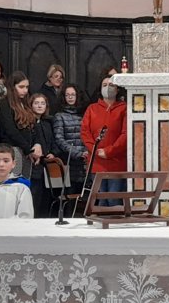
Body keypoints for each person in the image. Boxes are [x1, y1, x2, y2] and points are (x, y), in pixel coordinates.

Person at [80, 76, 128, 206]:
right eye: (104, 85)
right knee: (100, 198)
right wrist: (95, 150)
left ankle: (114, 220)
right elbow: (85, 132)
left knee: (113, 199)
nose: (107, 88)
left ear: (117, 89)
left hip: (116, 161)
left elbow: (126, 134)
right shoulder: (92, 108)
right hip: (96, 161)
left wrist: (109, 151)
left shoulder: (124, 108)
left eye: (111, 85)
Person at [0, 71, 39, 180]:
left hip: (27, 150)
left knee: (25, 182)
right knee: (14, 181)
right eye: (21, 87)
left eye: (27, 87)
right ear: (12, 87)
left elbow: (33, 127)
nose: (25, 90)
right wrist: (27, 149)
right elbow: (10, 130)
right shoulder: (5, 103)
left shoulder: (25, 103)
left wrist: (36, 145)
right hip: (13, 149)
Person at [53, 84, 89, 201]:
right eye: (67, 95)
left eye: (73, 94)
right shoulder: (59, 116)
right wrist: (77, 153)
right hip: (69, 160)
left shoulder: (84, 114)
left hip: (85, 160)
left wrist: (86, 152)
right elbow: (59, 139)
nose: (70, 97)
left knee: (84, 195)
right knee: (70, 194)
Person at [29, 92, 58, 218]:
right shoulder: (28, 122)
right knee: (35, 195)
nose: (40, 106)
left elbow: (53, 141)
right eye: (36, 103)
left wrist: (53, 152)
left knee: (46, 197)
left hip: (48, 165)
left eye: (42, 103)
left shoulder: (48, 122)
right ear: (31, 105)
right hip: (34, 164)